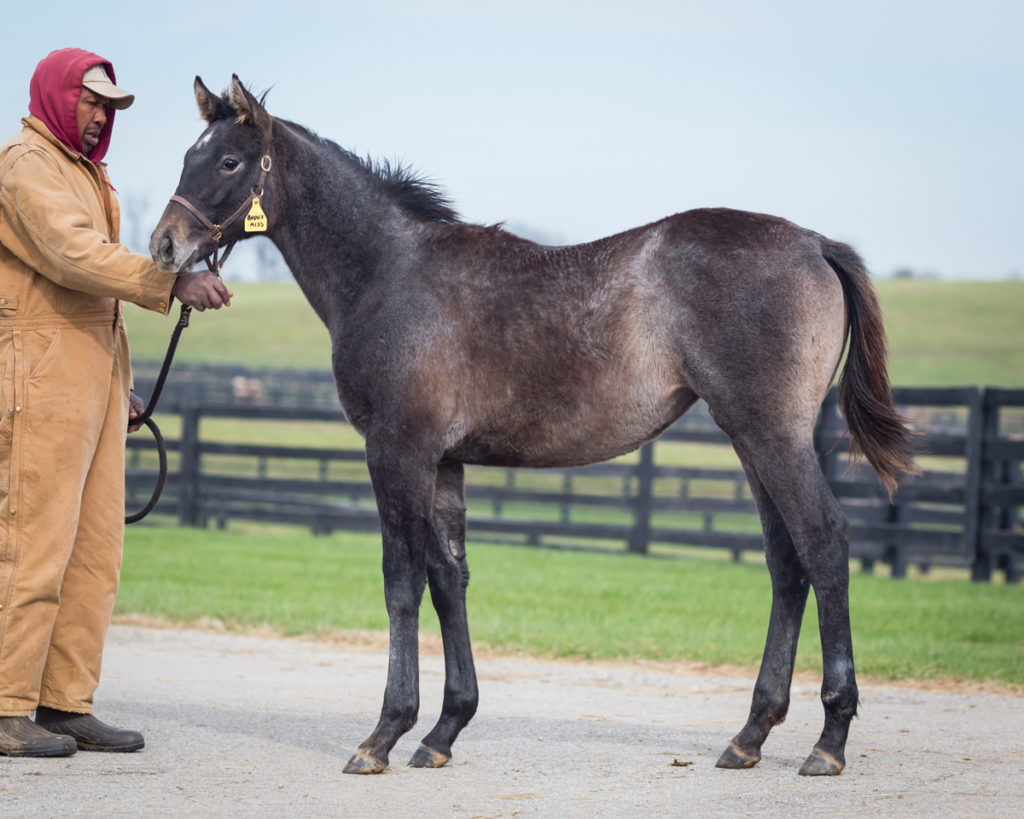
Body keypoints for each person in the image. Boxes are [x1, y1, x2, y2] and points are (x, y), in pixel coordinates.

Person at [0, 48, 232, 757]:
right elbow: (75, 257)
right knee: (33, 541)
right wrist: (169, 284)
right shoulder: (24, 165)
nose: (102, 114)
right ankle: (8, 704)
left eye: (109, 106)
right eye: (92, 100)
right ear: (57, 94)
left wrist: (118, 380)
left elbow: (93, 292)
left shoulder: (89, 175)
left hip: (93, 377)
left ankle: (65, 699)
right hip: (39, 377)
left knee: (96, 549)